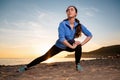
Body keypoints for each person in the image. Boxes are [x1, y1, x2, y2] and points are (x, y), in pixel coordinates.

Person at [18, 5, 92, 72]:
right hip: (59, 46)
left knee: (78, 46)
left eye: (72, 9)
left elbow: (89, 35)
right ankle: (26, 67)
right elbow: (62, 39)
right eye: (67, 10)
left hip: (70, 45)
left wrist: (81, 44)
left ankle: (77, 65)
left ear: (76, 14)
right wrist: (72, 46)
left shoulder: (79, 25)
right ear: (66, 13)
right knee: (44, 57)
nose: (69, 11)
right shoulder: (62, 24)